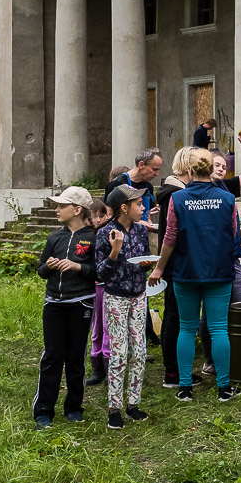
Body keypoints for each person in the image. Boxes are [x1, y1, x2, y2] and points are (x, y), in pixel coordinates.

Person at [153, 147, 241, 403]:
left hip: (185, 271)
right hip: (219, 271)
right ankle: (224, 387)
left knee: (186, 328)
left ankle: (184, 387)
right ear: (208, 169)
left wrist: (160, 267)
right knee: (218, 329)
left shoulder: (178, 200)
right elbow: (235, 236)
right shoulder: (226, 200)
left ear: (190, 170)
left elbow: (170, 237)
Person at [32, 185, 98, 429]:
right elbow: (40, 271)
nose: (57, 209)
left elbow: (99, 272)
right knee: (51, 356)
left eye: (62, 206)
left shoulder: (93, 237)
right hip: (54, 305)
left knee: (75, 357)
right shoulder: (55, 238)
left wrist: (78, 267)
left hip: (80, 303)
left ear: (77, 209)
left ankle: (73, 407)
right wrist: (49, 266)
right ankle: (43, 412)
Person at [96, 183, 152, 429]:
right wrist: (114, 252)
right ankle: (114, 408)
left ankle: (134, 404)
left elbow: (145, 257)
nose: (142, 207)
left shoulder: (141, 231)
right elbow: (100, 273)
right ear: (124, 208)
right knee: (119, 353)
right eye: (138, 204)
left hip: (139, 295)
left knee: (138, 351)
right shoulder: (105, 233)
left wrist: (148, 265)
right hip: (116, 297)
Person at [107, 149, 163, 346]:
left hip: (142, 239)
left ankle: (143, 334)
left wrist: (150, 218)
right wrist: (141, 224)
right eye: (154, 169)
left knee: (141, 285)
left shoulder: (147, 186)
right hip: (121, 242)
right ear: (141, 165)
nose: (157, 173)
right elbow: (109, 218)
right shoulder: (117, 184)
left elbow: (146, 212)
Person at [85, 197, 111, 386]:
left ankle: (109, 366)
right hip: (92, 286)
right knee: (96, 328)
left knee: (107, 327)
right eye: (93, 217)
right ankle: (96, 367)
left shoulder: (106, 234)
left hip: (107, 286)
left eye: (100, 216)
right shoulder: (85, 237)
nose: (96, 221)